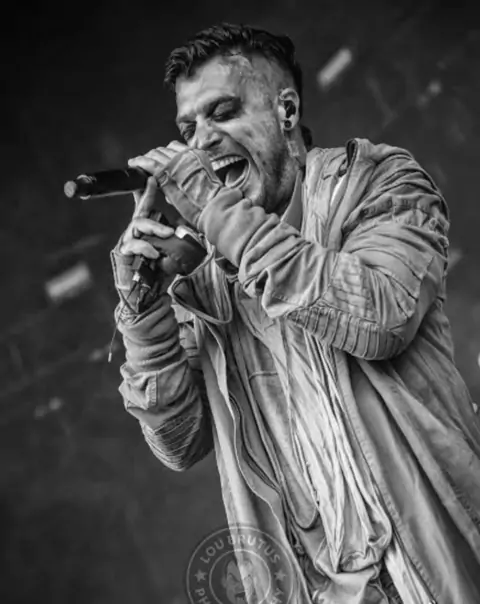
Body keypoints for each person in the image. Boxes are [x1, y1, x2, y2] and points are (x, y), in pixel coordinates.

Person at [110, 22, 480, 604]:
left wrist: (215, 211)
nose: (202, 142)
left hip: (431, 572)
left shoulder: (379, 183)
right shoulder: (204, 271)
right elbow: (178, 444)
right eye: (188, 129)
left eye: (223, 113)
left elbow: (381, 319)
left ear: (286, 110)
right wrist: (145, 309)